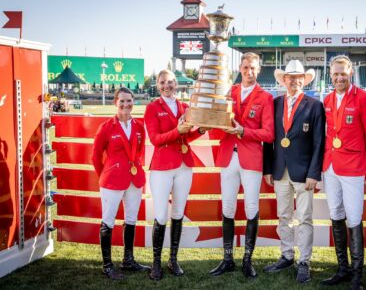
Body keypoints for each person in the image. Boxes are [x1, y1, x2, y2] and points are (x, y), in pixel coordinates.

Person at [209, 52, 275, 279]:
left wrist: (243, 131)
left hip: (251, 158)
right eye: (245, 67)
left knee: (251, 208)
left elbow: (269, 133)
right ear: (240, 67)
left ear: (259, 69)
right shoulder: (230, 91)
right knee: (227, 207)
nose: (249, 71)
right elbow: (218, 121)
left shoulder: (265, 97)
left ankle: (247, 260)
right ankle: (227, 259)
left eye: (253, 68)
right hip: (229, 155)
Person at [262, 60, 325, 283]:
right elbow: (269, 139)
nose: (294, 81)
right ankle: (287, 255)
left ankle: (304, 261)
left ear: (304, 80)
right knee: (284, 216)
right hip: (280, 170)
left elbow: (320, 142)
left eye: (299, 77)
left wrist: (314, 173)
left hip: (304, 171)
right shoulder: (275, 103)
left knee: (305, 218)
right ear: (284, 80)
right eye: (291, 77)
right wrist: (268, 167)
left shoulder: (315, 105)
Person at [320, 55, 366, 290]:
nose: (338, 77)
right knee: (336, 213)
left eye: (342, 73)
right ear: (330, 75)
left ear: (351, 73)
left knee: (354, 217)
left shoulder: (364, 98)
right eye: (335, 74)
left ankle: (357, 275)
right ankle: (342, 268)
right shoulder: (327, 99)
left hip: (354, 168)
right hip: (331, 167)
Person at [144, 69, 205, 281]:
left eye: (170, 82)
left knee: (178, 213)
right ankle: (156, 263)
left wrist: (200, 131)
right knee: (161, 215)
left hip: (183, 166)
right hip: (161, 167)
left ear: (175, 84)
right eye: (162, 82)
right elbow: (155, 139)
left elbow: (186, 138)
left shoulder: (184, 107)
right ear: (157, 84)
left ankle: (173, 260)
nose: (166, 86)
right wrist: (177, 131)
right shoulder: (152, 108)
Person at [91, 87, 149, 280]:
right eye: (122, 101)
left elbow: (138, 152)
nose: (126, 104)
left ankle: (128, 260)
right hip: (111, 181)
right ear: (115, 102)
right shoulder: (106, 127)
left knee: (131, 219)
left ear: (134, 102)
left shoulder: (139, 126)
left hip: (134, 179)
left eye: (129, 101)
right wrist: (106, 176)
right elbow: (95, 156)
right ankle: (107, 266)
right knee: (108, 221)